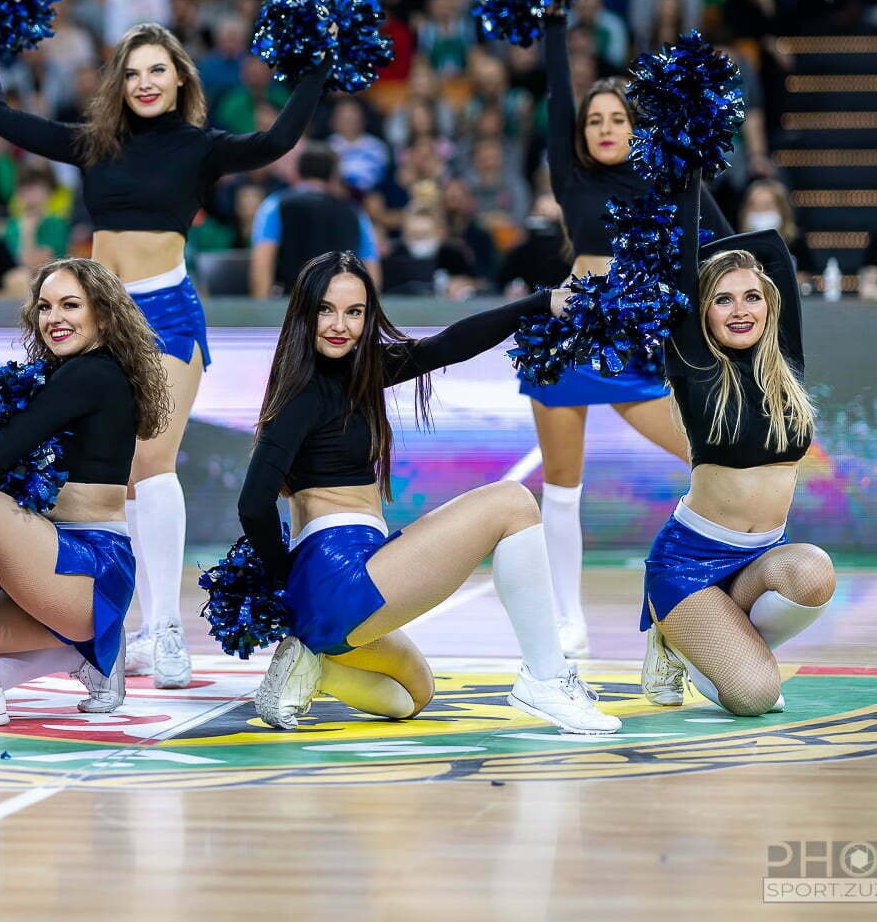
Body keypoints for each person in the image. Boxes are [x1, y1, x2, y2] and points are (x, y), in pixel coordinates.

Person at [0, 18, 327, 688]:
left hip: (166, 311)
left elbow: (277, 141)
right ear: (118, 81)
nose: (144, 82)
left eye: (157, 69)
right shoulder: (93, 142)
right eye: (132, 72)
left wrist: (314, 67)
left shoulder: (200, 146)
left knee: (150, 460)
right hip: (99, 319)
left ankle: (166, 630)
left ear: (181, 79)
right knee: (113, 476)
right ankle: (135, 624)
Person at [242, 253, 619, 734]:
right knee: (512, 503)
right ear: (303, 312)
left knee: (412, 696)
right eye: (326, 310)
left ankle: (315, 665)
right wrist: (285, 590)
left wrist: (541, 303)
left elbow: (449, 346)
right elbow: (252, 505)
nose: (340, 325)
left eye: (354, 312)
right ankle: (546, 679)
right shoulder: (302, 395)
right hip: (338, 575)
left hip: (342, 585)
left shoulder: (359, 372)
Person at [524, 17, 728, 659]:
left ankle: (701, 585)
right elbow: (558, 94)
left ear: (637, 127)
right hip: (569, 333)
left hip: (636, 337)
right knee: (561, 489)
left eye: (617, 118)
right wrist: (554, 21)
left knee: (710, 458)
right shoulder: (571, 177)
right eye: (594, 121)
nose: (605, 128)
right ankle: (567, 621)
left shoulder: (665, 178)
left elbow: (723, 242)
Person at [0, 259, 169, 726]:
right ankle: (84, 655)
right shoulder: (54, 376)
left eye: (70, 305)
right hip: (43, 563)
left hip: (90, 571)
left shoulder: (93, 373)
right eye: (44, 307)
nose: (54, 318)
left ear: (103, 314)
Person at [638, 185, 831, 716]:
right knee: (756, 696)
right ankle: (676, 631)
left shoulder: (785, 360)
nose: (741, 310)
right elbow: (683, 270)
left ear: (770, 304)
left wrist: (734, 259)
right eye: (722, 299)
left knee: (814, 570)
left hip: (761, 558)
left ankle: (703, 639)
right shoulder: (693, 361)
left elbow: (773, 248)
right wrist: (687, 166)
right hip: (690, 562)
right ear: (702, 310)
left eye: (752, 297)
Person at [249, 143, 377, 299]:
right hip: (339, 306)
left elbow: (262, 263)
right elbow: (371, 269)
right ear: (334, 177)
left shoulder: (275, 205)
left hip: (290, 305)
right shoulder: (354, 212)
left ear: (297, 172)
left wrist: (262, 307)